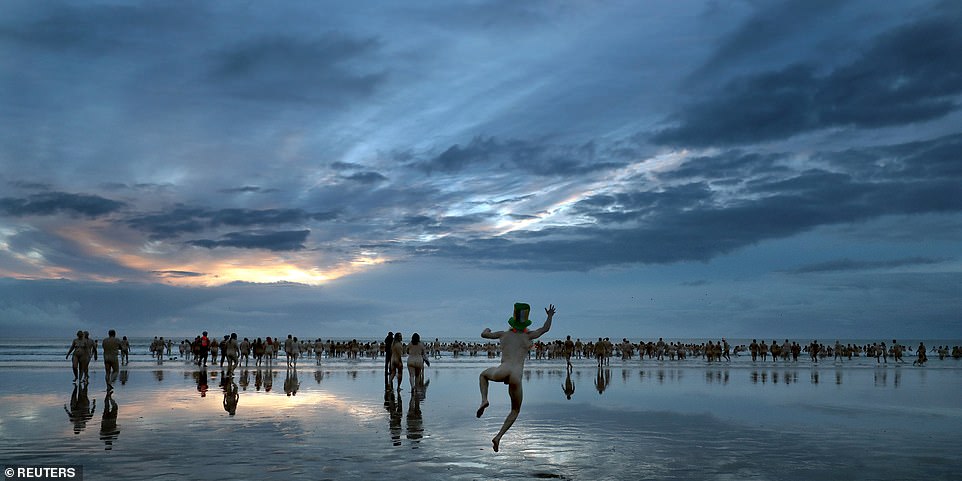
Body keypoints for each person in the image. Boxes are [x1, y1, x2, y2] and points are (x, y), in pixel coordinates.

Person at [477, 302, 555, 452]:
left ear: (512, 320)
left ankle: (484, 399)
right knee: (515, 410)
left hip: (502, 369)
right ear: (525, 322)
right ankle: (498, 437)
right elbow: (545, 329)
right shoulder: (528, 336)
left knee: (483, 375)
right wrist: (550, 316)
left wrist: (487, 329)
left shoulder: (503, 334)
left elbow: (484, 334)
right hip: (516, 376)